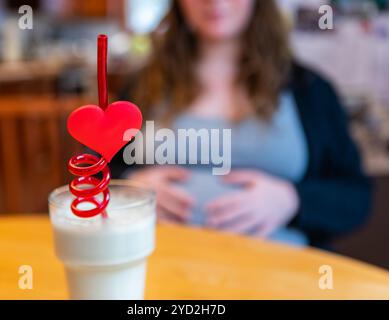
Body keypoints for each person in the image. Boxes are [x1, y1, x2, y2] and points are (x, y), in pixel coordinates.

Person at [110, 0, 372, 248]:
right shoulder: (142, 86)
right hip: (160, 271)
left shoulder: (310, 90)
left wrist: (294, 200)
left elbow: (356, 196)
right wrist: (127, 186)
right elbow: (93, 174)